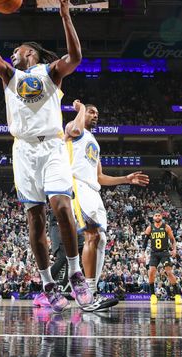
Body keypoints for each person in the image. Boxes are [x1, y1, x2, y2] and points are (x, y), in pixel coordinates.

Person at [0, 0, 93, 312]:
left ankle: (74, 274)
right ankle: (48, 283)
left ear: (35, 54)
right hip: (23, 151)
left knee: (63, 207)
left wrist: (66, 16)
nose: (14, 54)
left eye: (20, 50)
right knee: (36, 221)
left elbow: (77, 57)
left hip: (53, 146)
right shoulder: (9, 76)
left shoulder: (51, 73)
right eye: (13, 53)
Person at [65, 99, 149, 309]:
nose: (95, 115)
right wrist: (81, 109)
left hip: (93, 190)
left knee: (101, 238)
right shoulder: (73, 129)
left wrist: (125, 179)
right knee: (91, 235)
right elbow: (75, 127)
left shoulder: (94, 141)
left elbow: (100, 176)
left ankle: (92, 291)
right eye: (92, 112)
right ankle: (88, 295)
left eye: (97, 113)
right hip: (78, 186)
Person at [143, 212, 182, 305]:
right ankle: (152, 295)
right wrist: (142, 253)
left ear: (161, 217)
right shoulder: (150, 227)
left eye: (159, 215)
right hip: (154, 253)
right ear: (153, 217)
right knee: (151, 272)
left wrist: (174, 249)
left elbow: (172, 239)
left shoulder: (166, 227)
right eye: (156, 215)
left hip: (164, 252)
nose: (157, 217)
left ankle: (177, 295)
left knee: (169, 272)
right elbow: (145, 242)